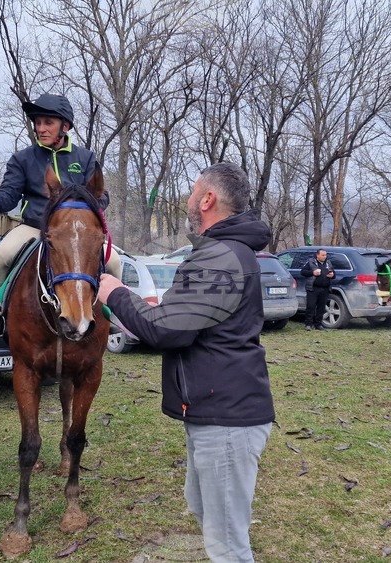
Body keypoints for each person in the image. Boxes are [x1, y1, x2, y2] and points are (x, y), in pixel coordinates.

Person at [98, 162, 275, 563]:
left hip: (227, 419)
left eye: (193, 192)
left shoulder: (219, 256)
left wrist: (116, 293)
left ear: (208, 199)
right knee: (203, 511)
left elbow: (168, 332)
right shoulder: (221, 253)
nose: (188, 200)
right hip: (211, 412)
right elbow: (188, 321)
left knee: (227, 544)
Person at [0, 92, 120, 338]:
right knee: (0, 255)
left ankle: (111, 310)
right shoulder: (23, 159)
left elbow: (101, 196)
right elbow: (8, 197)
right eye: (38, 123)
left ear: (65, 126)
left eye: (48, 122)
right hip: (34, 227)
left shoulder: (85, 158)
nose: (41, 128)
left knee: (114, 262)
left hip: (73, 232)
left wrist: (89, 204)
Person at [301, 248, 335, 330]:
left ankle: (318, 324)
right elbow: (303, 272)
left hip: (325, 288)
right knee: (311, 306)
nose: (324, 257)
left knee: (321, 307)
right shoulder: (310, 262)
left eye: (325, 255)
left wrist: (332, 275)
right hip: (313, 288)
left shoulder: (328, 263)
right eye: (322, 255)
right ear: (317, 255)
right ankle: (308, 324)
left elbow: (334, 273)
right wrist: (313, 273)